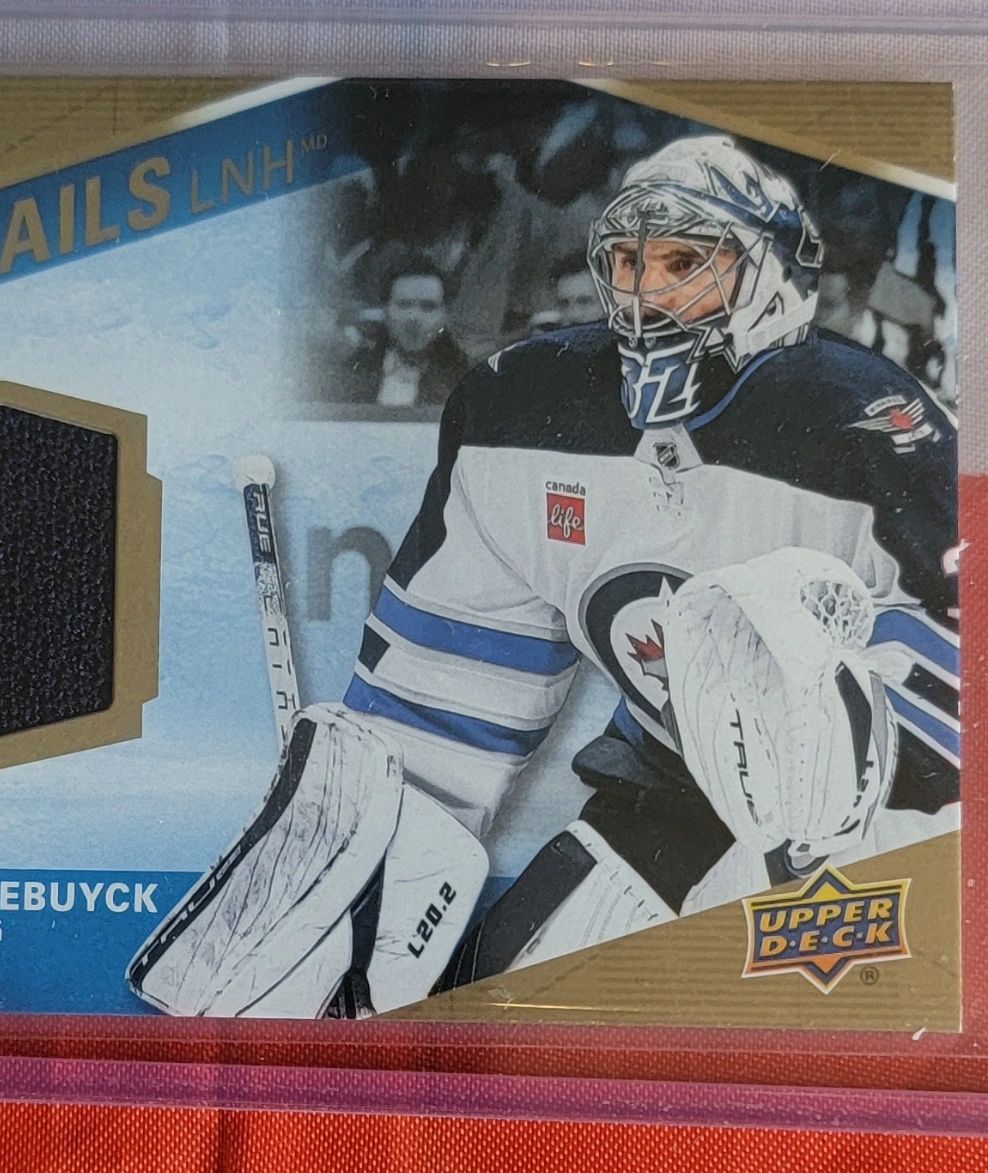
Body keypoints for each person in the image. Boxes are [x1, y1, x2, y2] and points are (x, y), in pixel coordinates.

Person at [129, 135, 959, 1018]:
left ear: (772, 276)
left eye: (685, 263)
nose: (648, 292)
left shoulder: (874, 428)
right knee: (511, 1012)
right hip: (671, 788)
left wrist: (825, 726)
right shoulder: (523, 413)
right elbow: (442, 708)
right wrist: (358, 874)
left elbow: (962, 683)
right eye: (631, 263)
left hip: (888, 819)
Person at [311, 258, 474, 408]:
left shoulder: (468, 380)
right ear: (385, 310)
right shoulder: (350, 374)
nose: (413, 318)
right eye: (404, 305)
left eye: (427, 307)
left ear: (445, 315)